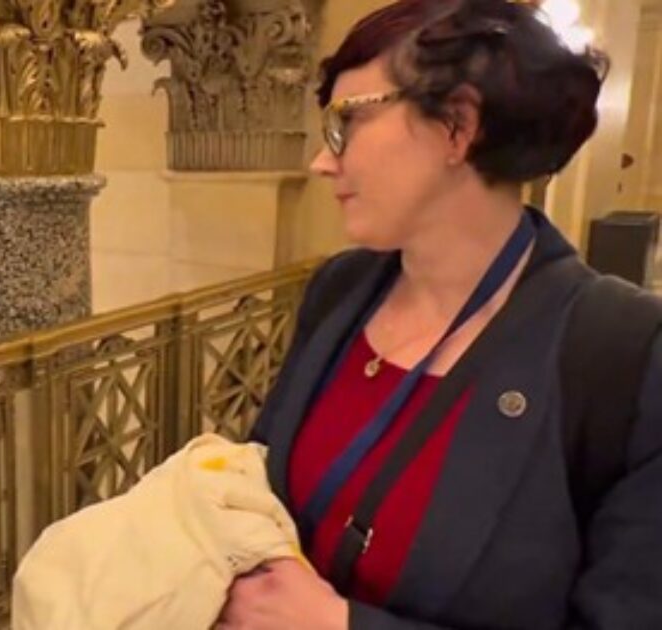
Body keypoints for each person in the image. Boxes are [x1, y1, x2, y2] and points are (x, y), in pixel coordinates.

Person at [231, 0, 662, 628]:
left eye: (345, 123)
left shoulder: (625, 353)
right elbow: (260, 476)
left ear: (457, 126)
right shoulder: (340, 289)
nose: (323, 161)